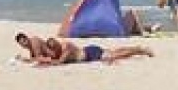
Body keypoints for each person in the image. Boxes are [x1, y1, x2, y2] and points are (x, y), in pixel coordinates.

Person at [13, 33, 154, 66]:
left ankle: (139, 50)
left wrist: (45, 61)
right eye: (51, 46)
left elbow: (60, 62)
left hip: (90, 53)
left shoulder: (66, 47)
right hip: (89, 52)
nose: (53, 47)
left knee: (115, 55)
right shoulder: (57, 49)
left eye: (54, 44)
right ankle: (137, 49)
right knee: (115, 52)